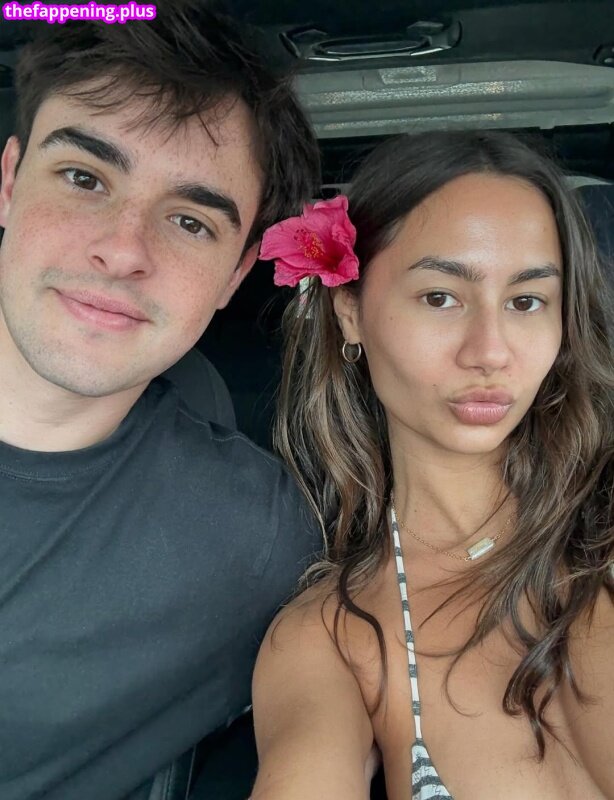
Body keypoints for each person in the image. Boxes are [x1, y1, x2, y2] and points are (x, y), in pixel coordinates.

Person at [0, 4, 321, 799]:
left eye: (189, 221)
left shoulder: (257, 537)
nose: (123, 250)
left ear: (237, 274)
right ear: (8, 183)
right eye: (84, 178)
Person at [252, 131, 614, 799]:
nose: (491, 351)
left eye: (526, 301)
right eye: (441, 297)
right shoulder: (333, 638)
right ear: (350, 311)